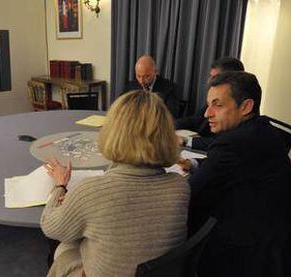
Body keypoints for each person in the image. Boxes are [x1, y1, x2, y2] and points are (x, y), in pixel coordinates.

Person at [40, 91, 190, 276]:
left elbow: (50, 226)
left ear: (112, 131)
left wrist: (60, 185)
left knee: (65, 246)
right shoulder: (181, 187)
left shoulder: (90, 191)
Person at [180, 71, 291, 277]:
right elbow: (239, 164)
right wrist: (194, 163)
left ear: (246, 106)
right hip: (278, 238)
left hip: (250, 251)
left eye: (218, 105)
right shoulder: (262, 129)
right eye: (208, 104)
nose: (207, 113)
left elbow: (188, 194)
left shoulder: (232, 143)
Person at [176, 57, 245, 151]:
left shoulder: (238, 110)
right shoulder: (215, 100)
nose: (209, 81)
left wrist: (185, 141)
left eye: (215, 77)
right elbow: (195, 119)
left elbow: (221, 142)